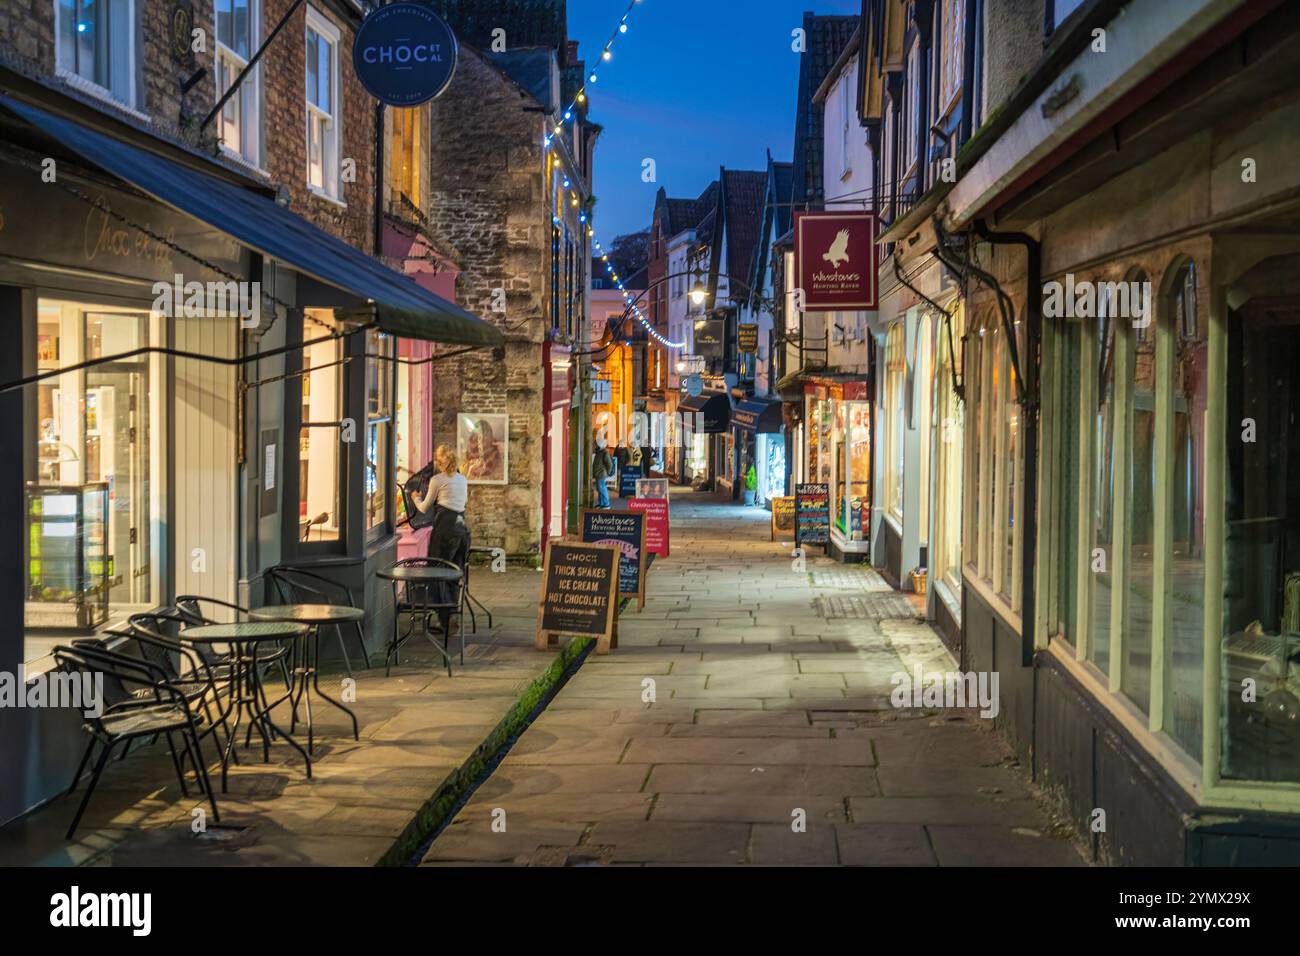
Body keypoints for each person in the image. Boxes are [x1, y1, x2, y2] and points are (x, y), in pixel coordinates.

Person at [415, 444, 471, 631]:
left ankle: (443, 619)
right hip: (462, 529)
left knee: (437, 571)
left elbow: (424, 508)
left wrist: (415, 497)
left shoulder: (437, 480)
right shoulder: (462, 479)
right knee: (454, 573)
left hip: (445, 528)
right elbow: (462, 503)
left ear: (439, 462)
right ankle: (452, 613)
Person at [592, 436, 613, 509]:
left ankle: (606, 504)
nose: (594, 446)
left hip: (601, 474)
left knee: (602, 489)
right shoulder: (599, 452)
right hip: (598, 474)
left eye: (595, 444)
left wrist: (608, 472)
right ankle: (601, 503)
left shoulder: (604, 452)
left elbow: (609, 464)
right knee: (599, 489)